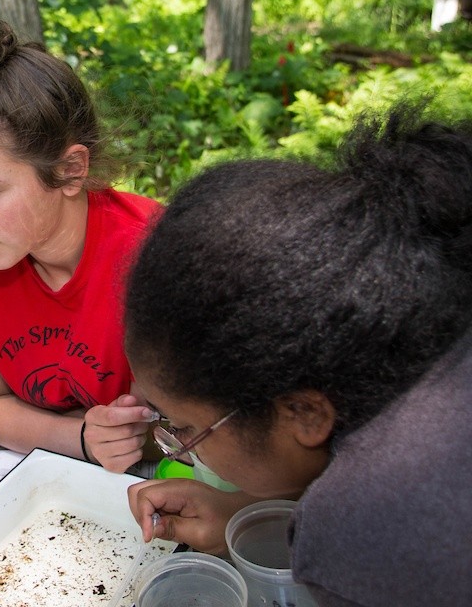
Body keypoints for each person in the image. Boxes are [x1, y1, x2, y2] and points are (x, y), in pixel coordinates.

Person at [123, 104, 472, 605]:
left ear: (305, 412)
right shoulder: (435, 316)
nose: (182, 445)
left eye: (183, 429)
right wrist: (243, 510)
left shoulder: (363, 535)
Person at [0, 10, 162, 472]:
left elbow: (187, 426)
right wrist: (82, 437)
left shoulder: (153, 254)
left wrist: (134, 436)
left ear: (70, 171)